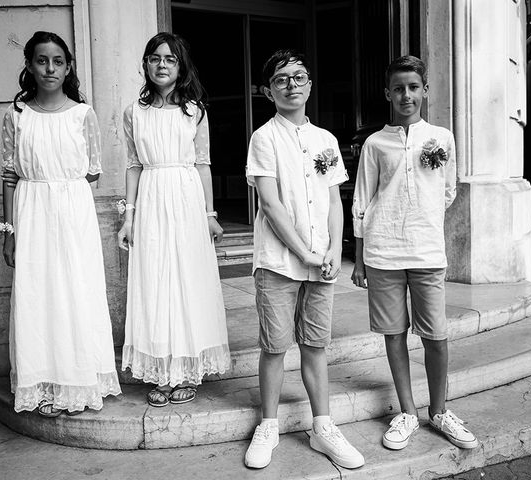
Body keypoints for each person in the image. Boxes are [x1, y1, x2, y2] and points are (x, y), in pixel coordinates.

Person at [243, 49, 364, 470]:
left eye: (299, 77)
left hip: (322, 261)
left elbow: (334, 199)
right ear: (267, 90)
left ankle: (322, 427)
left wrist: (334, 249)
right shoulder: (264, 138)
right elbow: (272, 205)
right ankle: (269, 425)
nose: (292, 84)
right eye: (281, 79)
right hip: (279, 262)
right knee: (275, 346)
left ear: (310, 84)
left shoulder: (326, 140)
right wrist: (306, 253)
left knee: (315, 345)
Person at [351, 55, 478, 451]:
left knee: (436, 335)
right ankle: (407, 411)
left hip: (426, 252)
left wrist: (420, 219)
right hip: (383, 252)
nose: (406, 95)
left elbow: (447, 190)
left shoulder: (441, 137)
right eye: (399, 88)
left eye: (413, 87)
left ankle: (439, 410)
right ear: (387, 93)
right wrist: (359, 258)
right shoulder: (375, 143)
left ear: (425, 90)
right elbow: (362, 198)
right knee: (394, 334)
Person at [0, 31, 121, 417]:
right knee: (39, 296)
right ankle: (45, 382)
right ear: (30, 66)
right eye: (41, 60)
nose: (49, 68)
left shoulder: (82, 114)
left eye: (57, 61)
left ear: (68, 67)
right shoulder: (16, 115)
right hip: (31, 212)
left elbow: (91, 173)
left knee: (76, 292)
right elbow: (8, 176)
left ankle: (78, 380)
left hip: (73, 213)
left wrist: (61, 194)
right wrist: (10, 230)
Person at [117, 33, 230, 407]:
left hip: (185, 198)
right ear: (146, 64)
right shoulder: (134, 112)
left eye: (169, 59)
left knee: (185, 282)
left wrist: (210, 215)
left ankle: (185, 371)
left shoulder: (194, 110)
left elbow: (203, 164)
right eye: (154, 58)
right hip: (150, 196)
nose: (161, 64)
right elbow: (133, 166)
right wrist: (128, 218)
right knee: (154, 282)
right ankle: (162, 372)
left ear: (180, 67)